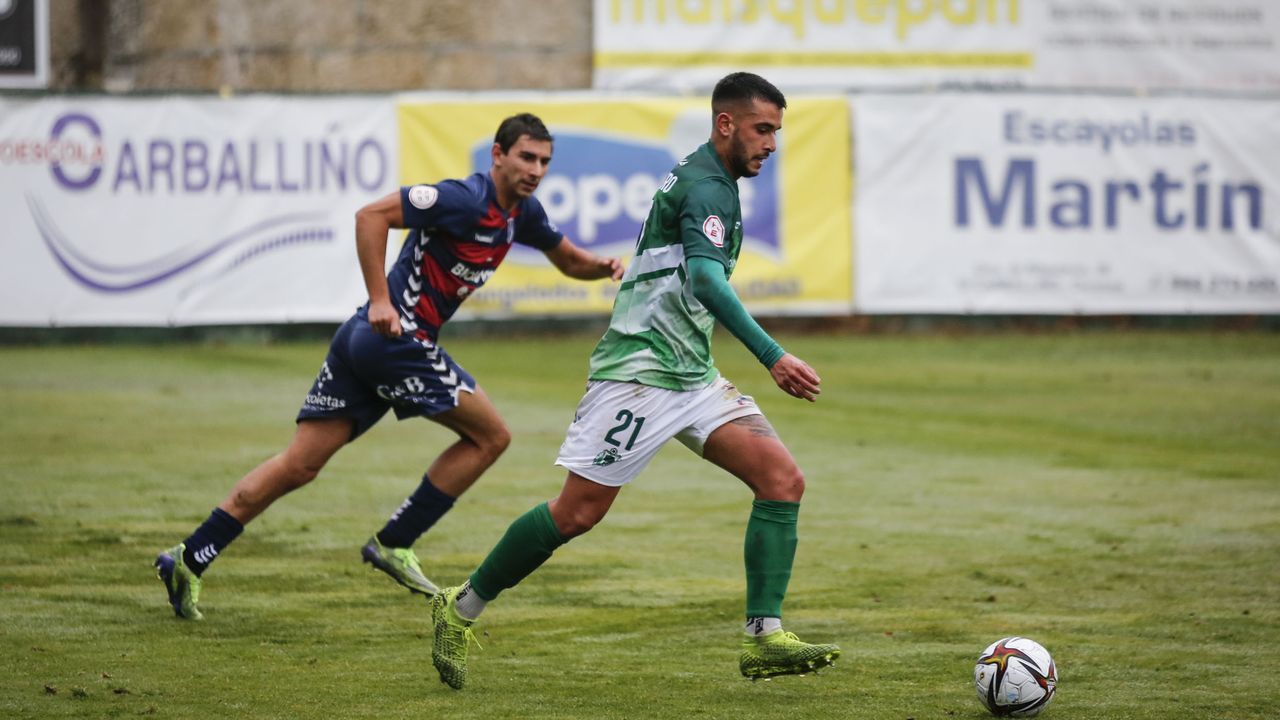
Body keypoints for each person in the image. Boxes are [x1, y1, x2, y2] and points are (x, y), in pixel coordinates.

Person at [427, 73, 840, 690]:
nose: (771, 144)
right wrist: (772, 355)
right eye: (762, 129)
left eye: (777, 131)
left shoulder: (713, 178)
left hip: (690, 375)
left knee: (781, 480)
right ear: (725, 123)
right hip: (639, 374)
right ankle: (459, 608)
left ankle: (763, 638)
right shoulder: (706, 187)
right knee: (577, 513)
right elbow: (706, 281)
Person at [154, 113, 624, 621]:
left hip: (370, 343)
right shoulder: (462, 198)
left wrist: (603, 266)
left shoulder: (521, 214)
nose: (536, 169)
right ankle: (395, 542)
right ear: (498, 155)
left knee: (300, 464)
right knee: (491, 437)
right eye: (526, 157)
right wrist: (380, 300)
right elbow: (370, 216)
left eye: (544, 161)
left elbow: (569, 260)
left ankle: (189, 556)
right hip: (394, 340)